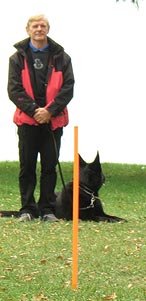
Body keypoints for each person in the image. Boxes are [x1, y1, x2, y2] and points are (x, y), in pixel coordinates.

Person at [8, 14, 74, 222]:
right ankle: (27, 209)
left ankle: (47, 209)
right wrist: (35, 110)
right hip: (27, 122)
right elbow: (14, 89)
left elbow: (68, 88)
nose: (39, 29)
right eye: (35, 26)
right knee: (27, 166)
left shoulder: (62, 58)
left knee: (49, 167)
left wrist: (49, 111)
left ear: (48, 29)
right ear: (27, 30)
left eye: (42, 26)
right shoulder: (17, 58)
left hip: (53, 122)